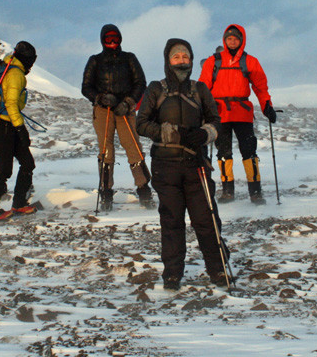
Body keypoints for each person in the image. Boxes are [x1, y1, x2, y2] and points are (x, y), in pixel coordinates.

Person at [136, 39, 225, 290]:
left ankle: (218, 269)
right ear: (168, 60)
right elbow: (141, 123)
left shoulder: (200, 89)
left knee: (206, 219)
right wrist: (170, 134)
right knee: (172, 220)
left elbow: (216, 122)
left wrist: (204, 133)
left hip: (196, 164)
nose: (182, 60)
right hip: (166, 166)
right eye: (176, 57)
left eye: (186, 56)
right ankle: (172, 273)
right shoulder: (156, 89)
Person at [198, 24, 275, 205]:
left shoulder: (251, 62)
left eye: (235, 39)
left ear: (241, 40)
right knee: (223, 152)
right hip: (220, 113)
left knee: (249, 151)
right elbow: (203, 87)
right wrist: (201, 109)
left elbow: (260, 87)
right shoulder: (213, 61)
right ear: (224, 40)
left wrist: (267, 107)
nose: (232, 41)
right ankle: (227, 192)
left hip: (242, 112)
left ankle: (255, 192)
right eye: (229, 38)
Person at [81, 24, 154, 210]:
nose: (112, 42)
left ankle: (144, 188)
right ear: (102, 40)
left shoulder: (129, 58)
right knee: (106, 150)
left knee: (133, 147)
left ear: (120, 39)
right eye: (108, 39)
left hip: (125, 110)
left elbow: (140, 82)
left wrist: (128, 102)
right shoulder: (95, 60)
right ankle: (106, 193)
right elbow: (86, 86)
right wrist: (99, 97)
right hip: (103, 110)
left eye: (115, 38)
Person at [0, 41, 39, 222]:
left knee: (27, 163)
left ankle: (19, 203)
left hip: (6, 124)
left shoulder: (10, 69)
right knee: (5, 169)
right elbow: (11, 104)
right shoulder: (15, 73)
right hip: (5, 126)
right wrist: (21, 128)